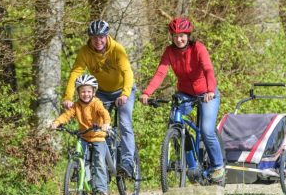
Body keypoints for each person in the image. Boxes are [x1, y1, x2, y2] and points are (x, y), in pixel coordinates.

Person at [139, 17, 225, 182]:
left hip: (207, 93)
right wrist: (147, 93)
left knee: (207, 130)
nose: (179, 39)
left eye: (182, 35)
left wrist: (209, 90)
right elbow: (160, 73)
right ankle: (187, 158)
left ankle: (218, 167)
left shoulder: (198, 48)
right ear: (171, 36)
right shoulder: (169, 52)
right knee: (174, 120)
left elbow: (208, 69)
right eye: (175, 35)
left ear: (188, 35)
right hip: (185, 93)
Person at [62, 20, 137, 179]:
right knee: (93, 124)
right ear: (90, 38)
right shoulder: (85, 52)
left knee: (124, 123)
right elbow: (76, 73)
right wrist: (68, 97)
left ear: (107, 35)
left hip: (123, 90)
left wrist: (124, 94)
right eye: (94, 37)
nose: (98, 41)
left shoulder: (117, 49)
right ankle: (96, 163)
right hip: (102, 92)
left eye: (102, 37)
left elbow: (128, 73)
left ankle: (128, 162)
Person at [52, 74, 111, 195]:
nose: (86, 94)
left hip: (98, 137)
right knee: (80, 158)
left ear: (93, 92)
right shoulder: (76, 105)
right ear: (78, 92)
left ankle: (101, 191)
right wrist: (56, 123)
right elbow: (67, 115)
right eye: (83, 91)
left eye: (89, 91)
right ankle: (82, 178)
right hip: (84, 136)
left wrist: (106, 123)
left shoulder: (96, 103)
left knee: (99, 162)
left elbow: (104, 113)